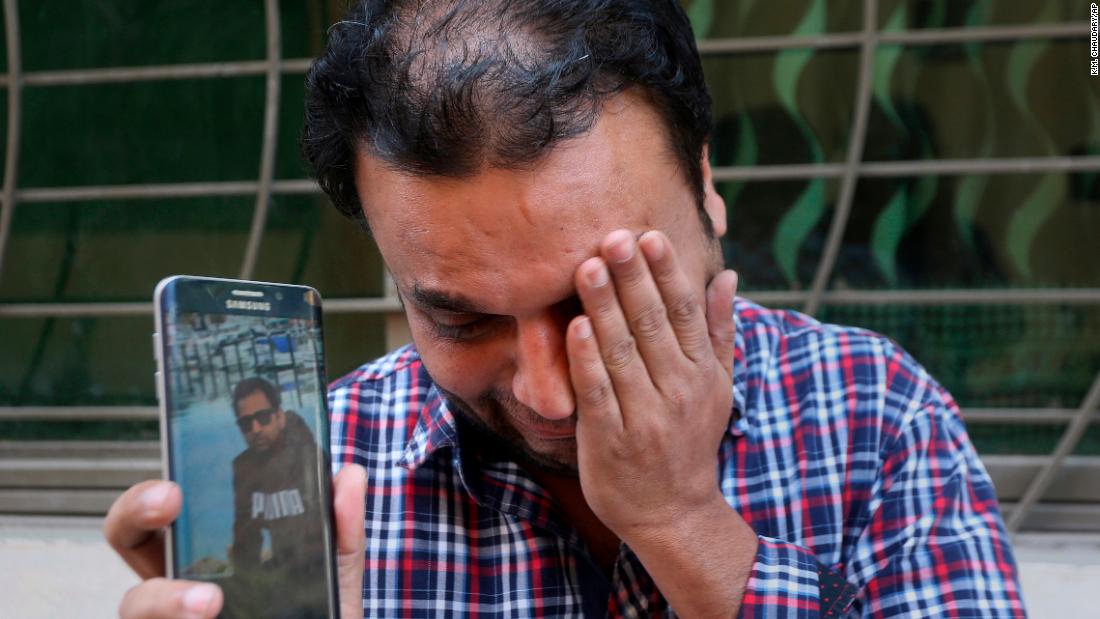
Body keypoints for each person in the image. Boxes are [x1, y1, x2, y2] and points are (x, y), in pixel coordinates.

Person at [105, 1, 1027, 617]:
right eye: (461, 322)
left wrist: (683, 523)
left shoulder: (874, 415)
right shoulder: (330, 469)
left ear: (706, 186)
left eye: (601, 295)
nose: (549, 394)